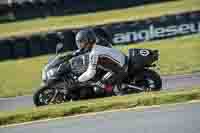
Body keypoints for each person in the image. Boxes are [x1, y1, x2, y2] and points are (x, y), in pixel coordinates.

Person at [75, 29, 128, 95]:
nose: (80, 45)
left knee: (99, 86)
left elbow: (90, 73)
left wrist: (78, 80)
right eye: (79, 43)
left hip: (120, 68)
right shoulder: (98, 45)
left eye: (81, 42)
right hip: (121, 61)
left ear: (88, 41)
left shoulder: (94, 53)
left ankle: (119, 91)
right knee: (101, 81)